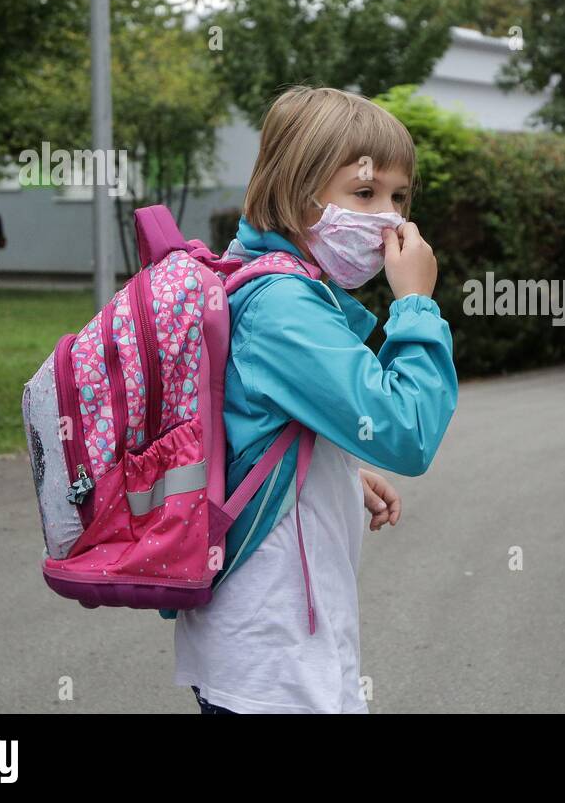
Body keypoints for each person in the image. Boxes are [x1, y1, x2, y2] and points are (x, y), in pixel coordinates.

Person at [174, 86, 458, 714]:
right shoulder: (283, 305)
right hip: (273, 658)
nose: (389, 217)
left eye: (399, 196)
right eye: (365, 193)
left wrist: (333, 468)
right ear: (299, 196)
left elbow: (252, 425)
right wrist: (416, 305)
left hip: (277, 648)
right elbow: (407, 431)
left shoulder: (267, 283)